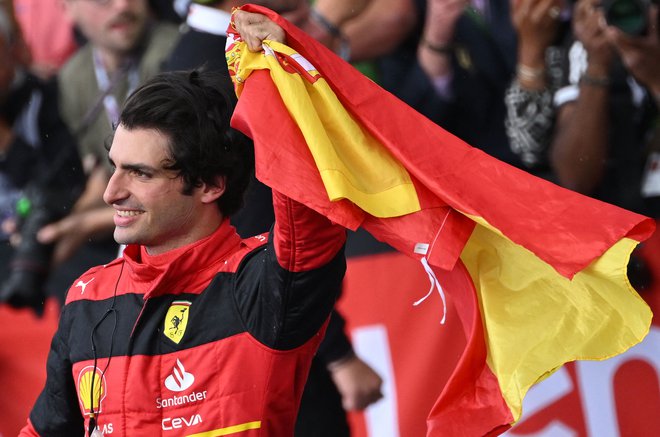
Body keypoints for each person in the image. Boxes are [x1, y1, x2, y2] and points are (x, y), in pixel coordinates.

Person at [19, 10, 348, 436]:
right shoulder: (88, 297)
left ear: (210, 184)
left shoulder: (260, 286)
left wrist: (282, 71)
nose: (111, 192)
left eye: (140, 173)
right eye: (114, 167)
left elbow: (311, 208)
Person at [166, 2, 383, 435]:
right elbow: (255, 226)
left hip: (247, 331)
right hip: (269, 337)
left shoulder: (199, 57)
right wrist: (336, 351)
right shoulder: (219, 71)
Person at [25, 0, 181, 307]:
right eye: (102, 0)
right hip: (127, 220)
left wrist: (86, 224)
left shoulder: (176, 52)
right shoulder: (74, 77)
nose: (122, 5)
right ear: (66, 8)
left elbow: (176, 187)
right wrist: (56, 222)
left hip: (178, 228)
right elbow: (102, 174)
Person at [0, 5, 84, 310]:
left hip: (39, 256)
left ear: (14, 53)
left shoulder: (45, 98)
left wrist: (7, 142)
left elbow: (66, 185)